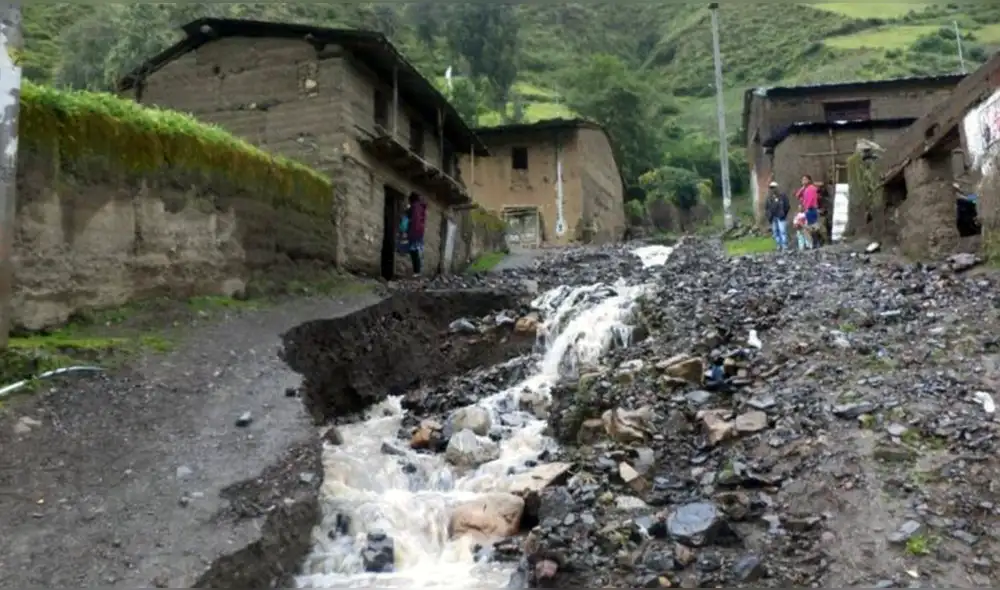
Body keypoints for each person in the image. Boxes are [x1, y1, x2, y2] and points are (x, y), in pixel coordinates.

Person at [795, 175, 820, 248]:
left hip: (811, 209)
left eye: (805, 179)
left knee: (812, 226)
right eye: (802, 179)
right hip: (807, 209)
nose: (803, 181)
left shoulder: (812, 188)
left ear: (809, 180)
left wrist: (807, 208)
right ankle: (811, 243)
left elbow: (811, 200)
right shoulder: (805, 189)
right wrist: (802, 188)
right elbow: (797, 195)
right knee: (808, 227)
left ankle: (815, 243)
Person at [764, 181, 790, 250]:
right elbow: (766, 208)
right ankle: (779, 245)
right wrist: (768, 215)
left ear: (777, 188)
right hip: (773, 217)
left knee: (782, 231)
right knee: (775, 232)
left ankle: (784, 245)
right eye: (771, 188)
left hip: (780, 216)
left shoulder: (782, 196)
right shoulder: (769, 198)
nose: (772, 189)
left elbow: (787, 206)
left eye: (773, 187)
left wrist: (784, 214)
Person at [405, 192, 426, 275]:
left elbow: (414, 220)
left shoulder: (414, 207)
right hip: (419, 233)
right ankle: (417, 271)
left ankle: (416, 272)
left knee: (414, 252)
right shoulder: (421, 207)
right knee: (416, 252)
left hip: (414, 232)